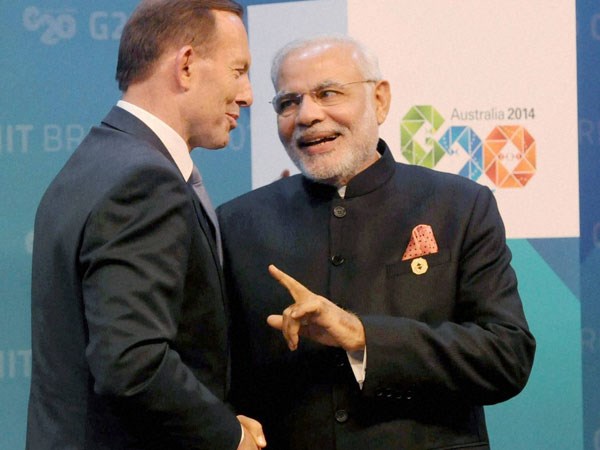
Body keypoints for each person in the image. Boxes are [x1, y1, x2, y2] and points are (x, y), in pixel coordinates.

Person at [217, 35, 536, 450]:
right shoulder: (236, 223)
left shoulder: (459, 205)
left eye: (328, 93)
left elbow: (506, 357)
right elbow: (208, 369)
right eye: (288, 102)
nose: (307, 115)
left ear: (380, 100)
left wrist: (362, 336)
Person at [26, 1, 266, 449]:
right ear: (187, 65)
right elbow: (132, 363)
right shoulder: (145, 179)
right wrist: (229, 435)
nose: (248, 95)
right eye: (239, 71)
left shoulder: (94, 162)